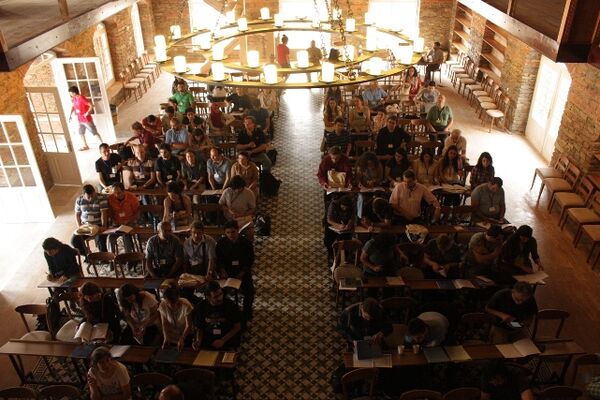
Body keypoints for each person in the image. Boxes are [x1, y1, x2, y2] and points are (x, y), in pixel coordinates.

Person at [216, 220, 256, 320]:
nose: (231, 235)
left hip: (242, 272)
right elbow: (219, 260)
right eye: (228, 232)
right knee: (219, 292)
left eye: (233, 232)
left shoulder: (246, 243)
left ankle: (247, 313)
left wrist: (241, 275)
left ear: (238, 230)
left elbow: (250, 261)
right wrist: (223, 271)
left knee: (249, 292)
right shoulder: (221, 243)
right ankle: (224, 312)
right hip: (227, 272)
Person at [192, 280, 242, 349]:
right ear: (208, 297)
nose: (220, 298)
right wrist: (198, 341)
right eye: (215, 297)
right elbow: (199, 327)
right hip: (208, 338)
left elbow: (237, 327)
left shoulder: (230, 305)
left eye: (221, 294)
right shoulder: (201, 307)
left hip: (226, 338)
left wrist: (223, 340)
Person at [72, 184, 108, 256]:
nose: (91, 198)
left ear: (94, 192)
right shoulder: (79, 200)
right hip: (85, 225)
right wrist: (79, 226)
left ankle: (103, 257)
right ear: (84, 195)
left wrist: (104, 226)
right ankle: (87, 255)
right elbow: (77, 214)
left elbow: (103, 213)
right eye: (88, 197)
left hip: (98, 224)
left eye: (92, 196)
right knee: (74, 241)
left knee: (101, 240)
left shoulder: (101, 198)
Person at [158, 285, 193, 351]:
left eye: (173, 302)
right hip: (171, 335)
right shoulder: (162, 305)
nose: (170, 305)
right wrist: (166, 337)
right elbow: (164, 323)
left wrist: (182, 338)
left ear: (178, 298)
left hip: (185, 334)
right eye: (168, 302)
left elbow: (188, 325)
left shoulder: (186, 304)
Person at [68, 86, 103, 151]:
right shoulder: (74, 99)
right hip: (80, 120)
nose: (70, 95)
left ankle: (103, 145)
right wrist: (70, 115)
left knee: (94, 132)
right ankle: (85, 146)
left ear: (74, 92)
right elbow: (73, 107)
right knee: (81, 133)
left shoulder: (82, 98)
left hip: (86, 120)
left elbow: (91, 105)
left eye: (71, 93)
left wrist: (87, 113)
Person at [107, 183, 139, 253]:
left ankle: (128, 256)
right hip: (117, 224)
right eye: (114, 193)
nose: (116, 195)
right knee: (110, 237)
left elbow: (137, 213)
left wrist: (129, 221)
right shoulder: (110, 198)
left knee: (125, 235)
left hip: (130, 222)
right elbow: (110, 213)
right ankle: (111, 257)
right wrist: (113, 221)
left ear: (124, 191)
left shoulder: (132, 197)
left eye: (118, 193)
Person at [324, 195, 355, 260]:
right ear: (340, 204)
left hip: (344, 225)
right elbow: (329, 219)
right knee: (328, 240)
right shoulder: (333, 205)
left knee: (346, 239)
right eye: (343, 207)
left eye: (347, 208)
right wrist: (338, 225)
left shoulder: (351, 207)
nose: (345, 209)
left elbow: (352, 218)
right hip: (332, 224)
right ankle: (331, 254)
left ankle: (346, 257)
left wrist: (349, 224)